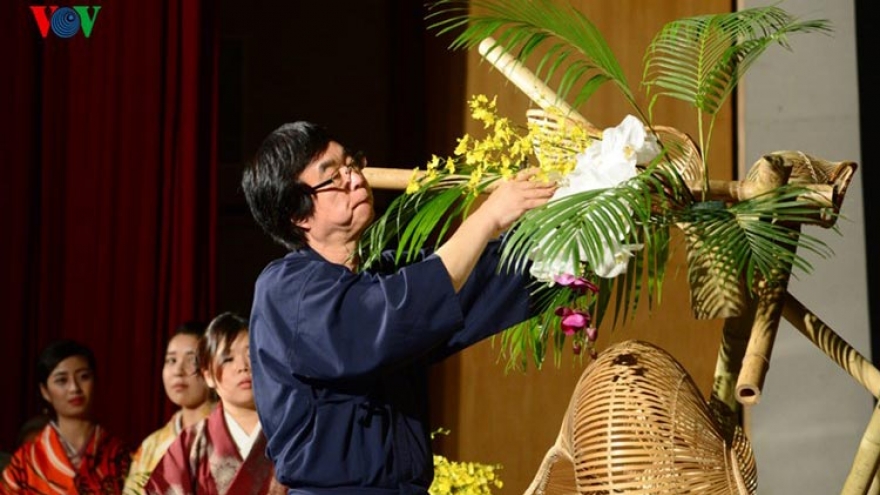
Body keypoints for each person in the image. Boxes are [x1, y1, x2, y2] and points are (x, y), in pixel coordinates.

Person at [240, 121, 557, 493]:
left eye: (351, 165)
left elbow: (480, 279)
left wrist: (580, 217)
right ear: (299, 214)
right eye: (334, 177)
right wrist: (488, 218)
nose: (356, 179)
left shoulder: (380, 274)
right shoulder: (287, 288)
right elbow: (394, 313)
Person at [145, 312, 285, 495]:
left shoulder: (289, 433)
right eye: (228, 359)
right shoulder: (190, 445)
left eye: (251, 356)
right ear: (208, 375)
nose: (243, 366)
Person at [1, 339, 131, 494]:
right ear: (45, 391)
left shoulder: (119, 456)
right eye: (62, 380)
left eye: (84, 377)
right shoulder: (25, 462)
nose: (74, 388)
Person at [123, 321, 216, 494]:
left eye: (192, 360)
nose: (178, 370)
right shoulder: (151, 446)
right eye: (171, 360)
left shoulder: (234, 430)